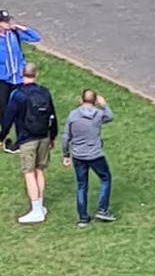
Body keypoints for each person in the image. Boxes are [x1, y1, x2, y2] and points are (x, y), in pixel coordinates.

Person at [4, 59, 58, 224]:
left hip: (27, 138)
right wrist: (52, 136)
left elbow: (8, 117)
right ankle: (40, 205)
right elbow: (52, 115)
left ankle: (36, 210)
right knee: (39, 170)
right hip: (44, 136)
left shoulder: (18, 95)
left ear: (22, 74)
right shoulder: (45, 92)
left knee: (29, 172)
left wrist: (2, 136)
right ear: (36, 74)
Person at [62, 87, 114, 226]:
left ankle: (83, 218)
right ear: (95, 101)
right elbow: (110, 116)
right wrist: (104, 104)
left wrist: (66, 154)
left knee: (81, 185)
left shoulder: (73, 115)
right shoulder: (98, 115)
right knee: (105, 178)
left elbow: (66, 136)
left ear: (81, 100)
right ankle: (102, 210)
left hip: (78, 156)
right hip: (95, 155)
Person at [0, 9, 40, 93]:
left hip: (19, 77)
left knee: (19, 99)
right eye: (4, 21)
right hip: (3, 78)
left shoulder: (14, 33)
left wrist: (22, 28)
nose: (7, 23)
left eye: (8, 20)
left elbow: (36, 37)